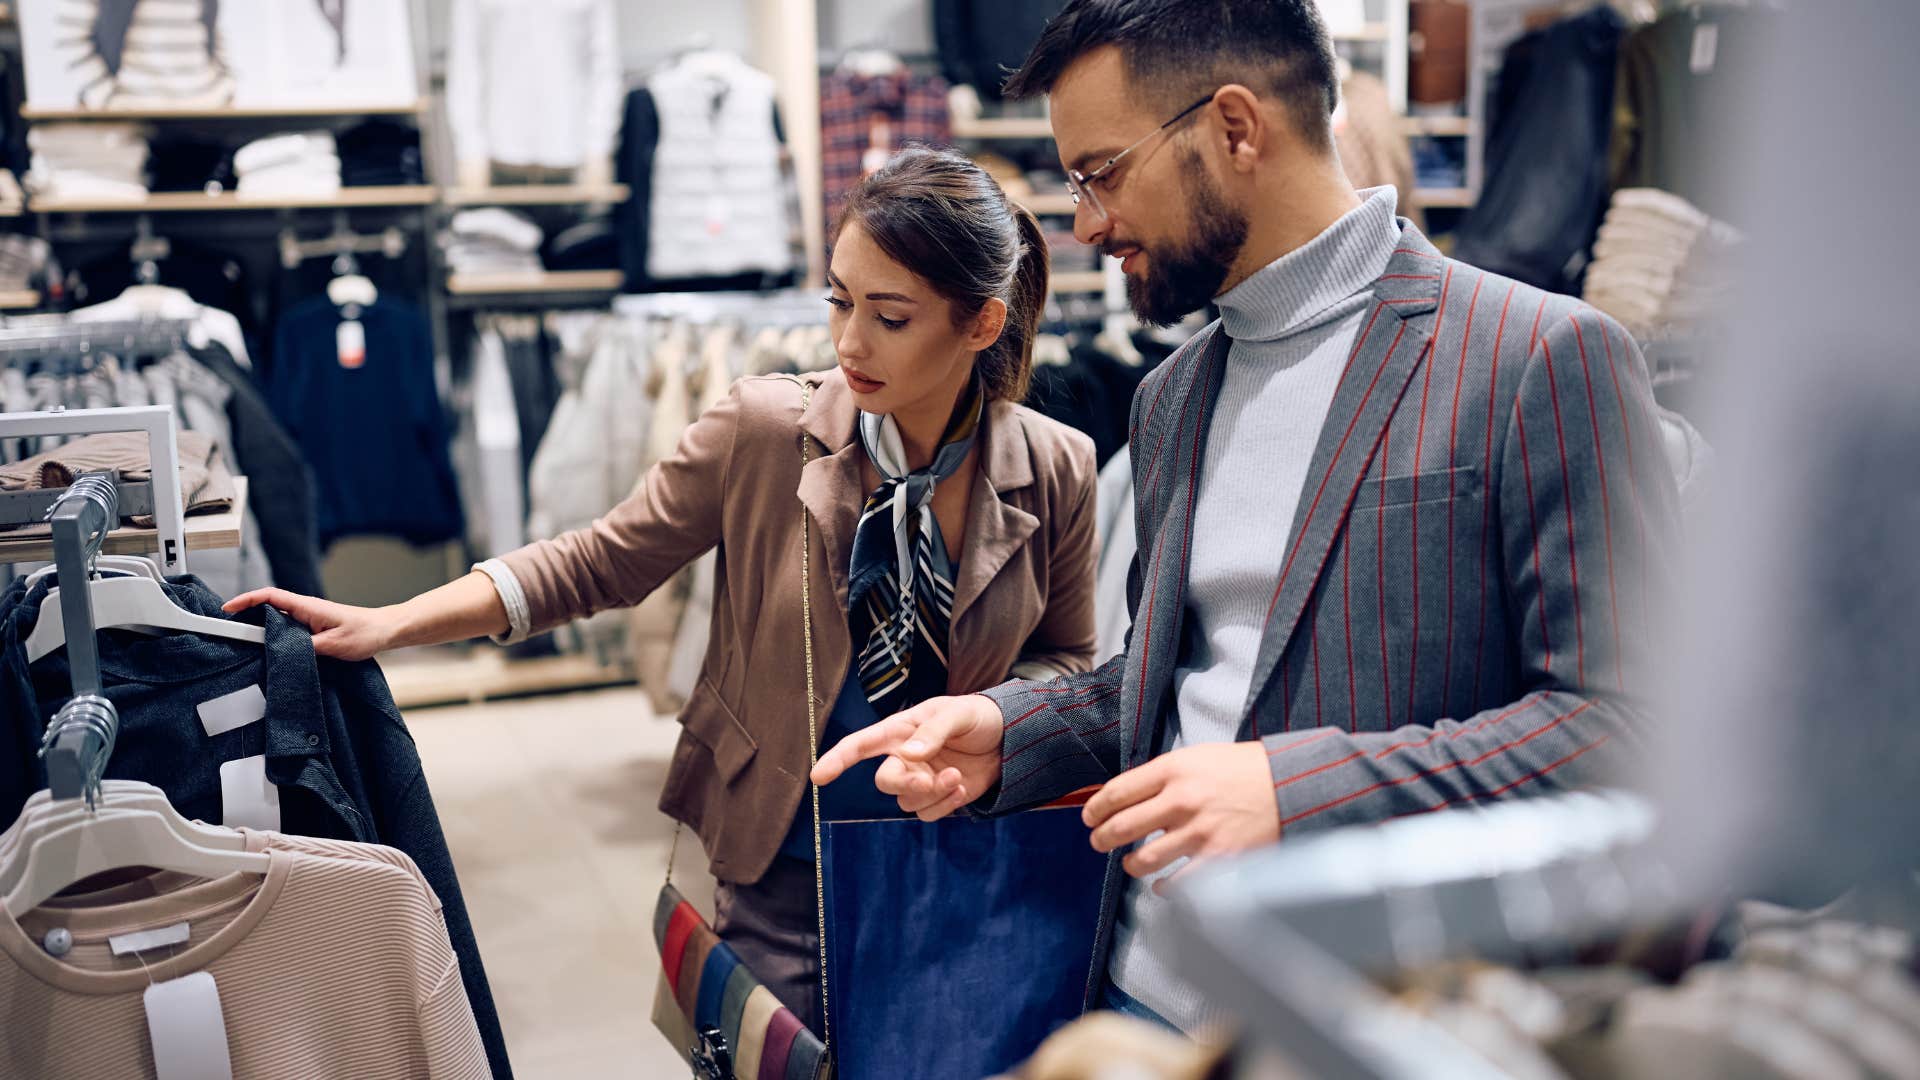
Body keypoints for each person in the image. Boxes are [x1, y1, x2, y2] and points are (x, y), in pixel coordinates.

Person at [812, 0, 1683, 1035]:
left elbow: (1620, 728)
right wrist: (1009, 727)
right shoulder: (1175, 394)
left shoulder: (1536, 356)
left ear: (1234, 127)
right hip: (1143, 990)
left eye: (1100, 174)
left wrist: (1298, 789)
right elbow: (1168, 686)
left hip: (1377, 1018)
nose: (1086, 225)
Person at [226, 147, 1100, 1032]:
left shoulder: (1056, 465)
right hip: (785, 865)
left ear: (982, 324)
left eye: (891, 317)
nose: (849, 343)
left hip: (963, 854)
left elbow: (1069, 662)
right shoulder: (766, 430)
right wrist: (394, 622)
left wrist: (986, 728)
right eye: (838, 300)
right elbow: (599, 559)